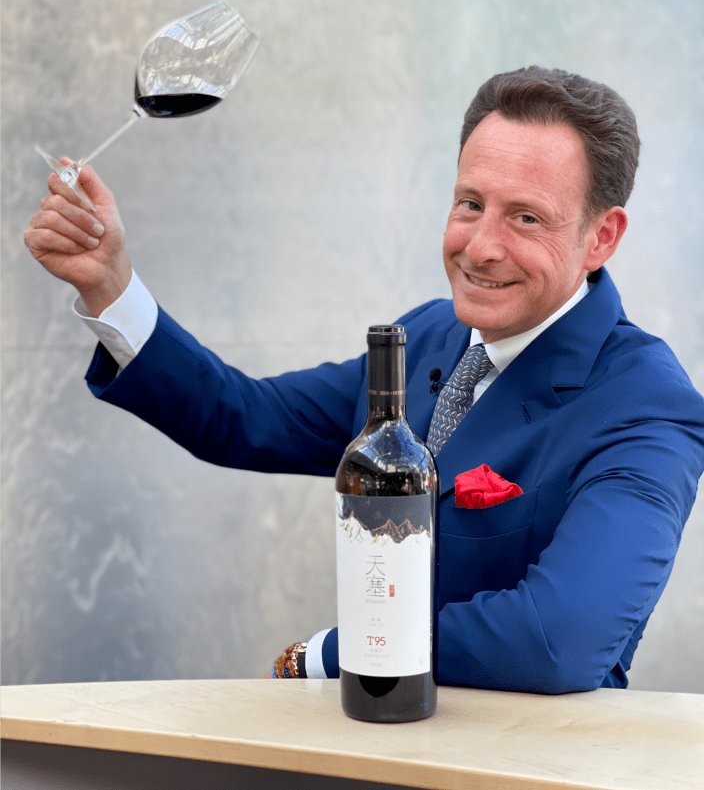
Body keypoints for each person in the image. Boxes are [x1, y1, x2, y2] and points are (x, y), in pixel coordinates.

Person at [24, 66, 704, 692]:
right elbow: (243, 415)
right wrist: (110, 285)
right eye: (470, 204)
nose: (479, 247)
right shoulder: (427, 335)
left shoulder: (648, 405)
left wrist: (338, 651)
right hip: (371, 745)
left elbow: (559, 639)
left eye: (525, 218)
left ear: (602, 236)